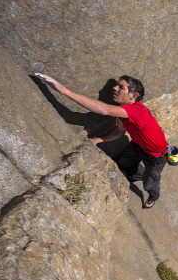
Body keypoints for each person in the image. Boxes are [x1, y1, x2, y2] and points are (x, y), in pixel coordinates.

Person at [35, 73, 168, 209]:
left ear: (133, 96)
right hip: (138, 144)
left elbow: (104, 110)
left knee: (150, 182)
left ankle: (153, 196)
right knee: (124, 162)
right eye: (116, 85)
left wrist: (64, 91)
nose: (115, 88)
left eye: (121, 87)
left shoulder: (137, 110)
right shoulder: (123, 111)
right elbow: (120, 131)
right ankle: (138, 175)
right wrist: (96, 140)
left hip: (156, 154)